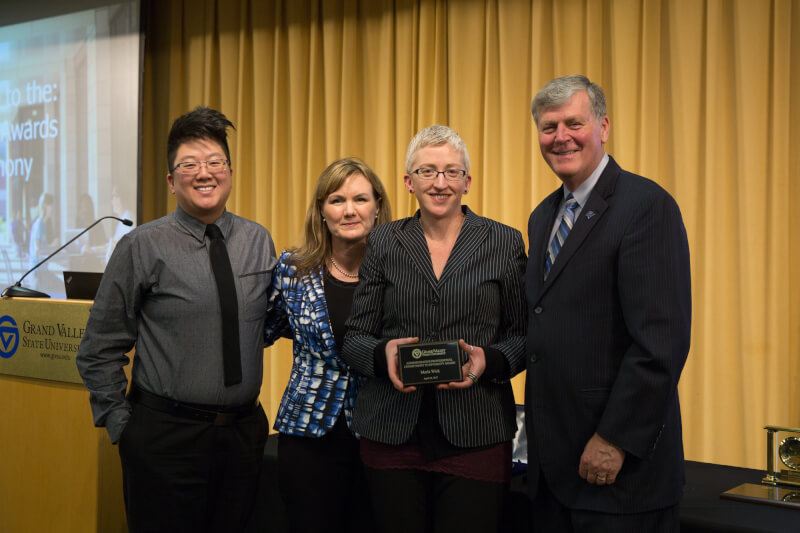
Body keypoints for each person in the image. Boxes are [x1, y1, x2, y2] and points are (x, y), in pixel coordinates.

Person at [76, 106, 277, 532]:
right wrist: (123, 428)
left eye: (214, 162)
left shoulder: (258, 240)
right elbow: (98, 348)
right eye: (189, 164)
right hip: (164, 439)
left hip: (242, 437)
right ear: (171, 181)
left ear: (230, 170)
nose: (204, 173)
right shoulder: (142, 245)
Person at [525, 75, 691, 532]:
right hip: (553, 475)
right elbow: (544, 323)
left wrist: (615, 439)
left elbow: (661, 342)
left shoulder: (646, 206)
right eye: (548, 127)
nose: (560, 137)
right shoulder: (542, 217)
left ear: (603, 126)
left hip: (620, 475)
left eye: (573, 123)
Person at [342, 125, 527, 533]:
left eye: (451, 172)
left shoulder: (504, 242)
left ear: (468, 181)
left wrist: (487, 361)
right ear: (409, 182)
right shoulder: (385, 241)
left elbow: (523, 336)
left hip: (476, 430)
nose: (440, 183)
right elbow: (354, 337)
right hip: (390, 429)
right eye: (427, 172)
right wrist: (382, 354)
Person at [264, 157, 392, 533]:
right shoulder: (292, 268)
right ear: (321, 211)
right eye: (336, 200)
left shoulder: (398, 271)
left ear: (378, 205)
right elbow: (267, 328)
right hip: (307, 435)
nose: (349, 210)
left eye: (360, 199)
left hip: (379, 431)